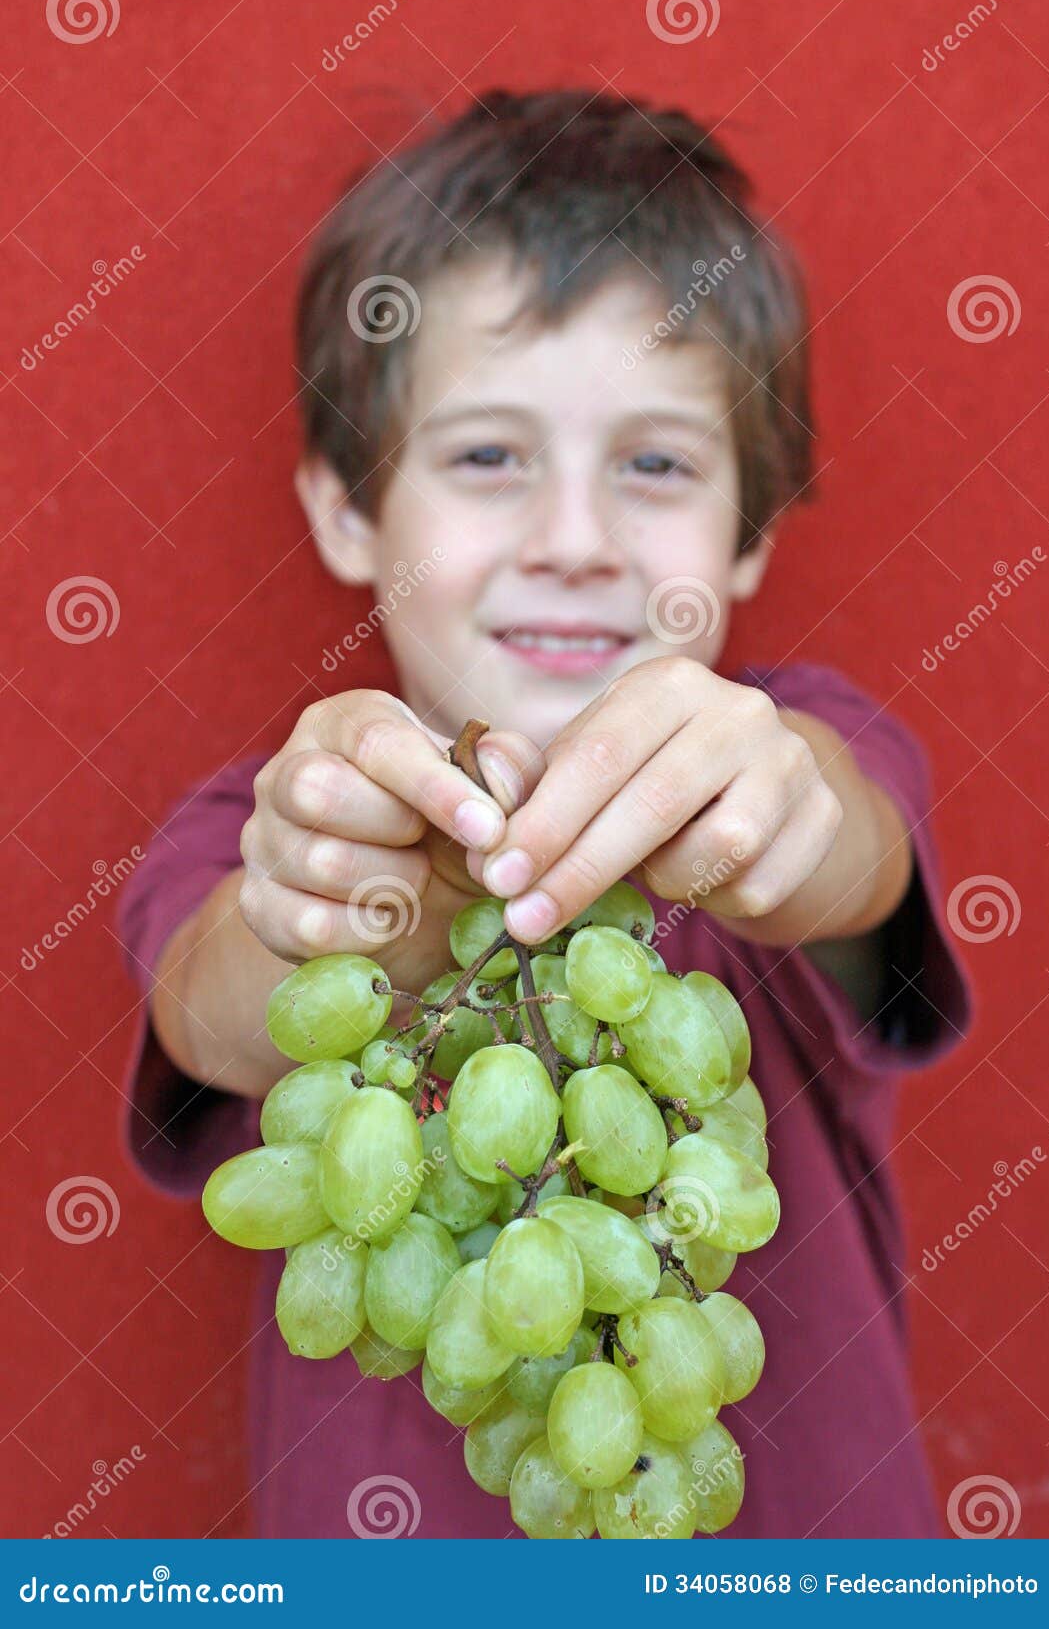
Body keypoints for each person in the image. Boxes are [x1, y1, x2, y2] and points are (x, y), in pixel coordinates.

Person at [117, 88, 973, 1539]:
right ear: (345, 512)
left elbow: (845, 845)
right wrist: (364, 906)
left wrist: (784, 811)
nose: (574, 541)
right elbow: (220, 1011)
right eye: (488, 456)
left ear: (750, 530)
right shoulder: (285, 820)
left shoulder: (785, 746)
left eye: (654, 463)